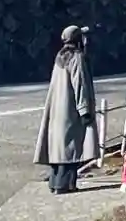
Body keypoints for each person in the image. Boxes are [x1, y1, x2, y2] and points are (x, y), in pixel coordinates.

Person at [35, 26, 100, 193]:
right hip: (71, 109)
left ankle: (55, 183)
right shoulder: (77, 57)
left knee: (59, 149)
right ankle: (65, 185)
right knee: (71, 148)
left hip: (58, 110)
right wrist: (84, 110)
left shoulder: (60, 57)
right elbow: (80, 85)